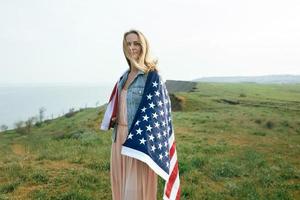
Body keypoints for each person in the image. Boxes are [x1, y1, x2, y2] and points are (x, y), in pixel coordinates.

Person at [101, 29, 180, 200]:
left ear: (143, 46)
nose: (132, 48)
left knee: (134, 192)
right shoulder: (124, 76)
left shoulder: (152, 76)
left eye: (136, 43)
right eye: (128, 44)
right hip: (118, 139)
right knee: (120, 188)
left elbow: (160, 112)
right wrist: (115, 119)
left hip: (137, 141)